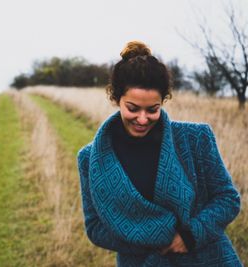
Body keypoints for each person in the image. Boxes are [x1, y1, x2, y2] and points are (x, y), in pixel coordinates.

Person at [77, 41, 242, 266]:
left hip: (208, 258)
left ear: (163, 101)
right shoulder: (90, 159)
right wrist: (153, 239)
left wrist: (189, 236)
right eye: (133, 108)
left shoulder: (195, 139)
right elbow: (95, 227)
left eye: (152, 109)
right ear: (116, 99)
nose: (143, 119)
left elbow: (227, 199)